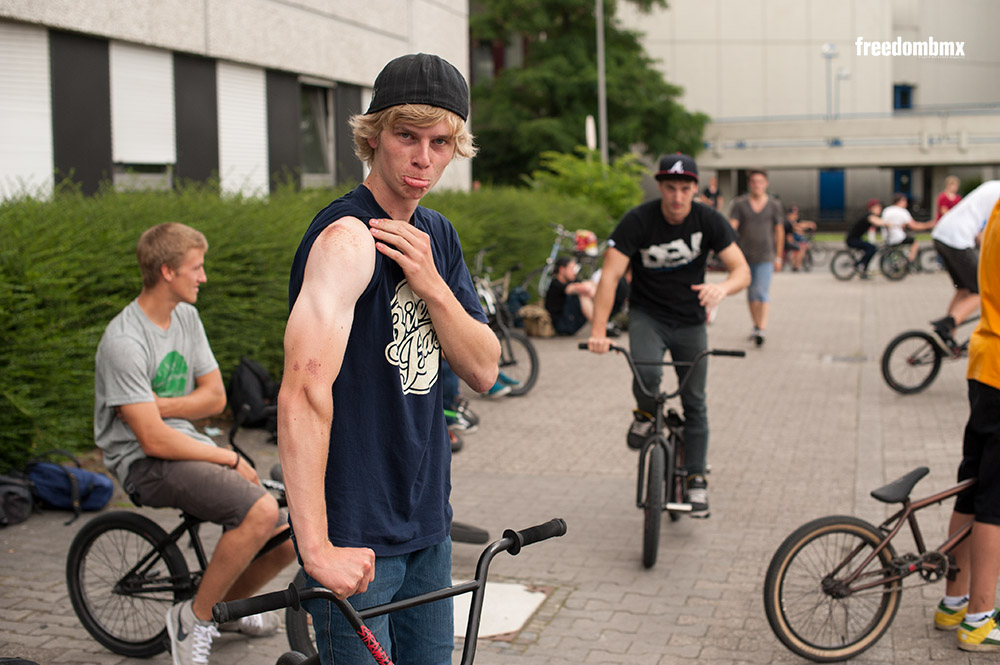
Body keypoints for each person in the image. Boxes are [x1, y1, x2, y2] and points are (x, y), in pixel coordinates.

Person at [277, 53, 500, 665]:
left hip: (428, 525)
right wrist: (316, 549)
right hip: (355, 537)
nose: (423, 157)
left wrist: (433, 285)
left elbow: (483, 368)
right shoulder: (347, 239)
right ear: (374, 136)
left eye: (440, 142)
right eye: (407, 136)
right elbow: (302, 393)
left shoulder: (438, 237)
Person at [93, 222, 296, 665]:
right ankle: (193, 619)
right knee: (260, 512)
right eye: (196, 268)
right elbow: (151, 438)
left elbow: (216, 398)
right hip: (143, 462)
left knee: (287, 534)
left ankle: (226, 610)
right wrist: (227, 457)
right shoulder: (124, 342)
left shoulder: (186, 317)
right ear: (167, 271)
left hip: (185, 444)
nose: (203, 277)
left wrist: (157, 405)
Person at [586, 153, 750, 518]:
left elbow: (741, 270)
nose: (678, 196)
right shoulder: (638, 221)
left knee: (695, 401)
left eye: (685, 189)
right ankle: (645, 412)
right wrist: (598, 331)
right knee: (647, 373)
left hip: (691, 321)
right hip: (649, 315)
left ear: (695, 189)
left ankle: (696, 478)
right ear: (660, 187)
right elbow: (610, 276)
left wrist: (722, 288)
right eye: (671, 188)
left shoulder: (709, 220)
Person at [934, 197, 1000, 652]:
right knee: (995, 502)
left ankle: (953, 601)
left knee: (972, 484)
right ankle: (980, 618)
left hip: (984, 360)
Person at [929, 180, 1000, 351]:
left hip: (941, 234)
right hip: (958, 238)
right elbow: (989, 235)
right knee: (981, 289)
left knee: (963, 288)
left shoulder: (993, 186)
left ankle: (948, 336)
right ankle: (948, 325)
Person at [729, 169, 784, 346]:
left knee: (762, 292)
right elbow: (731, 228)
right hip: (744, 257)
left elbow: (779, 231)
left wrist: (779, 257)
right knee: (752, 293)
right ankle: (756, 325)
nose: (757, 185)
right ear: (749, 184)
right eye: (754, 182)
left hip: (766, 256)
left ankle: (762, 328)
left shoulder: (774, 205)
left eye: (760, 182)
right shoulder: (739, 204)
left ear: (766, 183)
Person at [544, 256, 597, 336]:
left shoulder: (571, 280)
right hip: (560, 324)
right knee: (582, 294)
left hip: (571, 320)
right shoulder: (555, 284)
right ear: (562, 269)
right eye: (571, 269)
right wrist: (587, 288)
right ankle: (599, 325)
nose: (574, 272)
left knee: (589, 288)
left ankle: (601, 323)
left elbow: (588, 286)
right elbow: (572, 289)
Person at [880, 193, 931, 266]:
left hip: (887, 237)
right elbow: (913, 225)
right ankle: (911, 261)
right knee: (914, 242)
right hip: (897, 237)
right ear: (899, 201)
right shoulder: (902, 211)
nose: (906, 203)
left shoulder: (886, 210)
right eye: (904, 201)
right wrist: (928, 225)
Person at [845, 199, 887, 278]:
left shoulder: (871, 216)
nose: (880, 209)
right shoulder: (869, 216)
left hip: (857, 238)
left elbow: (879, 222)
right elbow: (879, 222)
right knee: (872, 248)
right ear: (871, 208)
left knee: (871, 248)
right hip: (852, 240)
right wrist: (891, 224)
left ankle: (864, 268)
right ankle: (860, 265)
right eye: (877, 207)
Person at [782, 204, 817, 272]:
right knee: (801, 247)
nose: (796, 216)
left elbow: (800, 223)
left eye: (796, 214)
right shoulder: (788, 222)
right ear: (789, 214)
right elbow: (796, 227)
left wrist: (809, 224)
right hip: (786, 242)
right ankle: (796, 266)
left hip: (790, 240)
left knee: (802, 245)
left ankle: (797, 263)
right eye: (794, 214)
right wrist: (808, 225)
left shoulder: (793, 221)